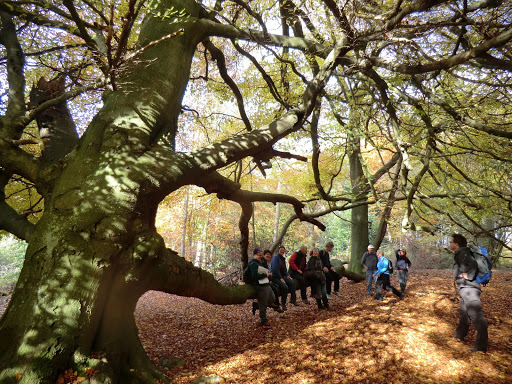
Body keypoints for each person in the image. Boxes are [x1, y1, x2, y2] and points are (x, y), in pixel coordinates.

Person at [450, 233, 488, 352]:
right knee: (464, 313)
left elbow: (473, 264)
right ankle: (459, 335)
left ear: (456, 244)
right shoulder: (461, 253)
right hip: (466, 288)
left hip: (470, 289)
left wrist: (468, 276)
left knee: (476, 316)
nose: (449, 244)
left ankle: (481, 346)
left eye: (451, 242)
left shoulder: (463, 253)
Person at [248, 248, 278, 326]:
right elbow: (254, 276)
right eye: (258, 255)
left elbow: (264, 272)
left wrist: (268, 276)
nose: (260, 256)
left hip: (264, 283)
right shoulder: (253, 263)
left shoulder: (260, 263)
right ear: (254, 255)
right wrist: (265, 275)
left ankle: (257, 305)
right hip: (257, 284)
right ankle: (263, 319)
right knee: (264, 302)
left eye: (261, 255)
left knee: (272, 298)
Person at [270, 246, 298, 310]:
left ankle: (293, 299)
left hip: (282, 276)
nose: (282, 251)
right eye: (281, 250)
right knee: (285, 287)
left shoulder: (283, 258)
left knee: (292, 283)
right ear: (278, 250)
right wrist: (280, 278)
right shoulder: (276, 258)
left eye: (283, 250)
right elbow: (275, 269)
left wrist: (288, 275)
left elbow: (285, 269)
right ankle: (283, 303)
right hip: (275, 276)